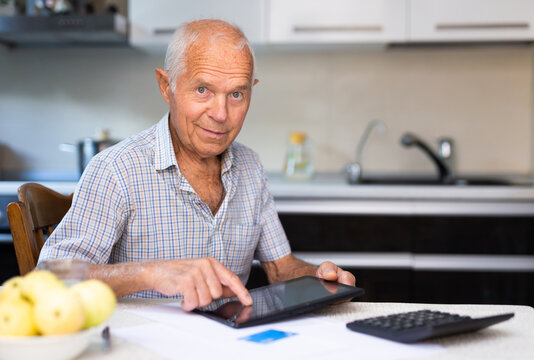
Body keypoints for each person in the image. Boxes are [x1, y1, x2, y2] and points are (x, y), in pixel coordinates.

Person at [38, 19, 355, 311]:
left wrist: (319, 279)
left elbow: (280, 268)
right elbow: (50, 278)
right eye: (203, 90)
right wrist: (150, 272)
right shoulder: (116, 169)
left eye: (236, 94)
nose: (221, 113)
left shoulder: (250, 167)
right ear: (166, 86)